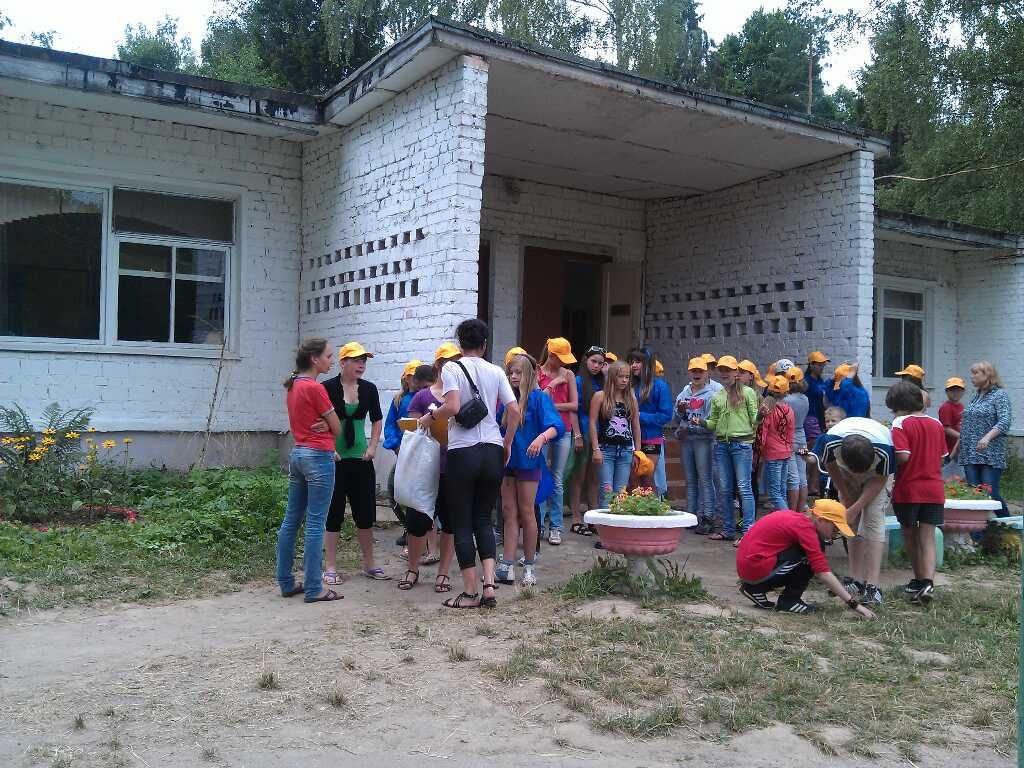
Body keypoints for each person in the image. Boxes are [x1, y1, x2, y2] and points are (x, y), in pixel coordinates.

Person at [415, 319, 521, 609]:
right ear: (485, 344)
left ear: (460, 344)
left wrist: (429, 417)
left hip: (464, 451)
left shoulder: (452, 368)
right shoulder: (496, 370)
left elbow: (451, 406)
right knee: (483, 518)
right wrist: (507, 442)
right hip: (492, 450)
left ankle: (470, 592)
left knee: (461, 521)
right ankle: (489, 585)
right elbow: (513, 410)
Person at [277, 339, 344, 603]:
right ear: (314, 359)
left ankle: (286, 581)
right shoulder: (316, 389)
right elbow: (338, 428)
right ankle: (315, 588)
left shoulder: (293, 386)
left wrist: (325, 426)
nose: (332, 360)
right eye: (328, 356)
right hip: (319, 456)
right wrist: (328, 428)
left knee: (291, 520)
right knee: (316, 522)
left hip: (299, 454)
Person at [736, 499, 876, 618]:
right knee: (812, 553)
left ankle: (755, 589)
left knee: (808, 552)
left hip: (749, 567)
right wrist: (854, 604)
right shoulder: (806, 529)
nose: (836, 534)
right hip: (755, 567)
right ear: (821, 520)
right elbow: (822, 572)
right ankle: (789, 600)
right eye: (835, 529)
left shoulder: (799, 519)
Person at [812, 416, 895, 607]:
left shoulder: (885, 450)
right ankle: (856, 580)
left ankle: (873, 587)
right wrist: (845, 492)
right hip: (844, 471)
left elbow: (880, 479)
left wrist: (856, 507)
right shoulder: (830, 441)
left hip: (876, 476)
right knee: (850, 522)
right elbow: (831, 465)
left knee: (873, 519)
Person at [321, 342, 386, 583]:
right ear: (342, 363)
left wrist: (372, 447)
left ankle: (369, 563)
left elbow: (377, 420)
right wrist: (329, 448)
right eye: (356, 360)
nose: (361, 365)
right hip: (334, 459)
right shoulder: (326, 387)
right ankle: (330, 566)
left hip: (361, 459)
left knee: (365, 513)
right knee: (333, 513)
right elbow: (318, 420)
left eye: (364, 361)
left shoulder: (369, 389)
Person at [497, 353, 564, 586]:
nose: (514, 377)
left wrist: (541, 438)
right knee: (508, 512)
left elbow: (557, 426)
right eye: (510, 373)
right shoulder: (506, 401)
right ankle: (506, 564)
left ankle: (528, 566)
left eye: (518, 372)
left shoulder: (538, 398)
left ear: (530, 374)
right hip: (507, 463)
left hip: (528, 462)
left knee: (527, 512)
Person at [887, 381, 947, 605]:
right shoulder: (936, 423)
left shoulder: (900, 422)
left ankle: (918, 578)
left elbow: (903, 455)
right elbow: (942, 457)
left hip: (909, 488)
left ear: (899, 405)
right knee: (928, 537)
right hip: (934, 488)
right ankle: (928, 582)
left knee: (910, 536)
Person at [407, 352, 460, 593]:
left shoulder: (462, 396)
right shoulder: (421, 396)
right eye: (448, 361)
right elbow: (414, 430)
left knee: (450, 523)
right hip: (425, 468)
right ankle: (412, 568)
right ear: (438, 365)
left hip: (453, 467)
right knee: (418, 522)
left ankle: (443, 573)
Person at [696, 355, 758, 543]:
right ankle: (728, 530)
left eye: (728, 370)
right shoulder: (718, 396)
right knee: (724, 489)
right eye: (721, 370)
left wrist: (762, 416)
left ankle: (749, 532)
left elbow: (755, 421)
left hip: (742, 445)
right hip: (722, 444)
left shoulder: (748, 393)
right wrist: (701, 422)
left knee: (744, 488)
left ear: (736, 373)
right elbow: (714, 423)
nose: (724, 373)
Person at [537, 337, 579, 545]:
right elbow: (538, 400)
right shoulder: (537, 372)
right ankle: (538, 525)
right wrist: (553, 385)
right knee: (540, 475)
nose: (564, 362)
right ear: (551, 355)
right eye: (560, 357)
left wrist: (553, 406)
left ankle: (556, 526)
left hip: (564, 429)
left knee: (557, 477)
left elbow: (574, 405)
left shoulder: (569, 374)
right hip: (542, 430)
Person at [957, 361, 1013, 516]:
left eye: (976, 373)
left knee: (990, 494)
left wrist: (987, 438)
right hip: (970, 453)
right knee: (974, 496)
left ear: (988, 375)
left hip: (990, 455)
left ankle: (1009, 529)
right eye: (972, 373)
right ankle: (978, 536)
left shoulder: (999, 395)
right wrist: (957, 447)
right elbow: (967, 423)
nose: (971, 376)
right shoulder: (976, 397)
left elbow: (1005, 421)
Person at [675, 357, 723, 534]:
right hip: (687, 441)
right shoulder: (684, 393)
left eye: (700, 371)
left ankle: (708, 516)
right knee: (691, 480)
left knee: (705, 479)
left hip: (703, 441)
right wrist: (680, 412)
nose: (696, 374)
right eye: (693, 371)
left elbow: (712, 424)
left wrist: (695, 428)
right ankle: (691, 515)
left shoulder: (712, 394)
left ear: (706, 373)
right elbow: (676, 419)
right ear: (689, 372)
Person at [590, 360, 642, 508]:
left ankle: (617, 527)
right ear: (612, 377)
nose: (624, 380)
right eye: (621, 376)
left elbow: (636, 426)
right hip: (605, 449)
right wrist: (596, 449)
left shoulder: (631, 399)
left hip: (625, 450)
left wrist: (637, 451)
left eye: (627, 377)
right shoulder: (600, 396)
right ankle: (605, 528)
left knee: (621, 493)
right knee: (606, 490)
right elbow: (593, 423)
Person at [384, 359, 423, 548]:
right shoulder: (399, 400)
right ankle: (409, 528)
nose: (415, 379)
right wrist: (395, 445)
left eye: (418, 375)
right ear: (405, 379)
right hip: (403, 455)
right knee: (394, 492)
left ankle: (423, 533)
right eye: (411, 376)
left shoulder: (427, 396)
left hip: (423, 456)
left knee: (419, 495)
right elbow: (390, 425)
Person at [567, 346, 605, 535]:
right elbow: (573, 409)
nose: (596, 366)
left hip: (601, 433)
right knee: (579, 476)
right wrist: (577, 435)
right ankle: (575, 517)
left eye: (600, 363)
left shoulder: (605, 381)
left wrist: (609, 375)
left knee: (594, 477)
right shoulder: (579, 380)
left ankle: (593, 517)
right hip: (583, 430)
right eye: (593, 362)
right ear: (585, 360)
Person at [628, 348, 673, 495]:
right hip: (630, 438)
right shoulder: (628, 385)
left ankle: (651, 512)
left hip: (651, 437)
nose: (634, 365)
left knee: (647, 477)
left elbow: (666, 415)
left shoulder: (660, 386)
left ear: (647, 364)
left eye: (638, 362)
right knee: (632, 478)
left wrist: (638, 415)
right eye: (632, 362)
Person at [758, 375, 796, 513]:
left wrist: (759, 451)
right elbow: (791, 432)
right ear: (786, 392)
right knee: (781, 490)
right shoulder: (789, 410)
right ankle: (784, 520)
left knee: (775, 494)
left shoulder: (769, 410)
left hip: (773, 453)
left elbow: (763, 433)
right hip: (786, 451)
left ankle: (789, 520)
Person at [783, 366, 810, 512]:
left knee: (792, 478)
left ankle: (791, 511)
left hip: (790, 438)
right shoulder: (805, 399)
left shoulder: (786, 400)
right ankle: (801, 508)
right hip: (802, 438)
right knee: (802, 476)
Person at [938, 377, 966, 477]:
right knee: (947, 476)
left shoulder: (961, 406)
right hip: (949, 450)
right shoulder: (946, 407)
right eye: (952, 390)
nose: (955, 393)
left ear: (963, 392)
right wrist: (961, 436)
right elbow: (945, 429)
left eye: (958, 390)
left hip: (958, 447)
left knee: (958, 476)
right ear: (946, 392)